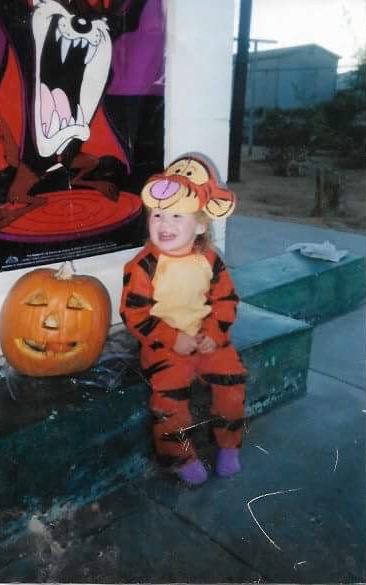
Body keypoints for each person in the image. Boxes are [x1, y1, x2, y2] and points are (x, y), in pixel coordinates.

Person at [120, 155, 246, 486]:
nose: (165, 224)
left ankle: (229, 444)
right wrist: (172, 338)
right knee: (169, 400)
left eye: (178, 216)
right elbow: (134, 313)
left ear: (201, 224)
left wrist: (213, 335)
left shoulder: (209, 260)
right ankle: (181, 456)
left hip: (207, 339)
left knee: (232, 381)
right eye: (158, 215)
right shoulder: (143, 265)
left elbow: (226, 301)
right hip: (163, 345)